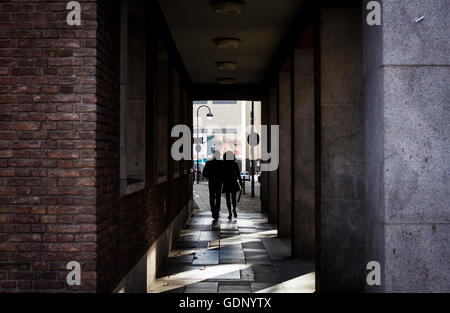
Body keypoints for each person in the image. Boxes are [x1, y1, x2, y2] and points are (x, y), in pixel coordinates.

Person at [202, 150, 223, 220]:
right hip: (219, 183)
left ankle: (213, 212)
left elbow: (204, 173)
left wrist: (210, 177)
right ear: (219, 155)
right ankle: (217, 212)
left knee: (212, 197)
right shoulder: (221, 163)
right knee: (218, 197)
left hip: (211, 182)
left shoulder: (208, 163)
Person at [222, 151, 243, 220]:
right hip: (233, 182)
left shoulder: (224, 164)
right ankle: (234, 209)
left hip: (226, 182)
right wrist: (241, 182)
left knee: (228, 199)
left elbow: (222, 174)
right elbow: (238, 175)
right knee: (234, 198)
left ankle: (230, 213)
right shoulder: (235, 164)